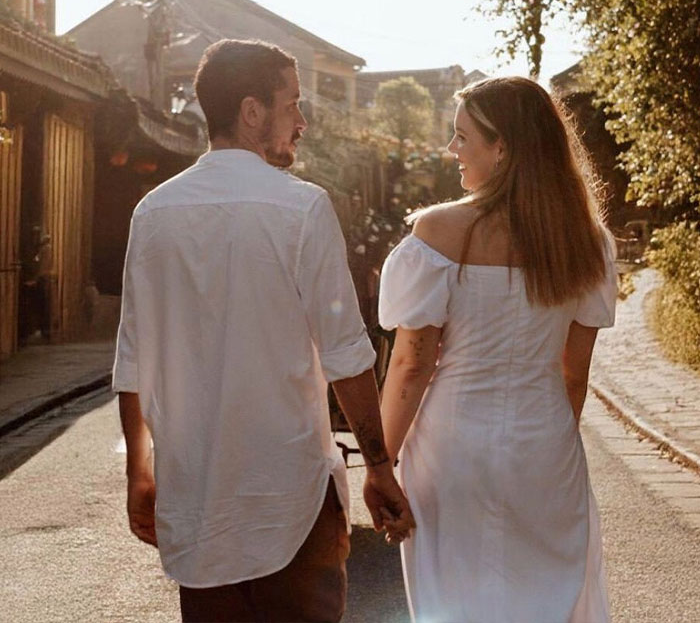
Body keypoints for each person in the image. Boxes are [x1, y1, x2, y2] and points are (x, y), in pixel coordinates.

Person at [113, 38, 414, 623]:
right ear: (252, 112)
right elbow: (347, 356)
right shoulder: (300, 208)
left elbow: (133, 360)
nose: (303, 121)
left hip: (197, 503)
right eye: (293, 104)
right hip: (292, 503)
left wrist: (139, 474)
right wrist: (379, 468)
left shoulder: (153, 212)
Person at [378, 76, 617, 623]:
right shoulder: (587, 240)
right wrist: (549, 442)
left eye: (462, 137)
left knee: (454, 603)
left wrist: (380, 463)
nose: (452, 150)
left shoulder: (438, 232)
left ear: (501, 146)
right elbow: (573, 375)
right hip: (544, 445)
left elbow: (412, 366)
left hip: (451, 448)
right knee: (543, 599)